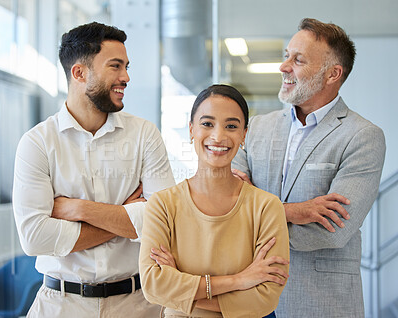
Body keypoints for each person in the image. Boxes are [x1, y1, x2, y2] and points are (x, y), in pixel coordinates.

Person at [12, 22, 175, 317]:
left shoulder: (144, 135)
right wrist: (124, 215)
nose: (126, 77)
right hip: (60, 304)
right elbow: (35, 238)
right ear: (79, 73)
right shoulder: (36, 143)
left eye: (126, 66)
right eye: (115, 66)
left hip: (139, 304)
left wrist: (80, 209)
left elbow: (164, 223)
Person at [232, 18, 386, 317]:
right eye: (286, 55)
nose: (283, 67)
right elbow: (227, 200)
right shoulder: (258, 127)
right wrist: (295, 210)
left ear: (332, 74)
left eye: (297, 59)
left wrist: (249, 221)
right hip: (250, 298)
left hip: (320, 302)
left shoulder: (363, 136)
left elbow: (333, 231)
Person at [139, 84, 290, 318]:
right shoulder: (163, 205)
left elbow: (265, 298)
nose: (218, 136)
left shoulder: (266, 207)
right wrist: (239, 281)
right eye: (207, 124)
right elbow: (153, 286)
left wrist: (181, 288)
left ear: (243, 135)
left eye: (231, 126)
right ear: (191, 130)